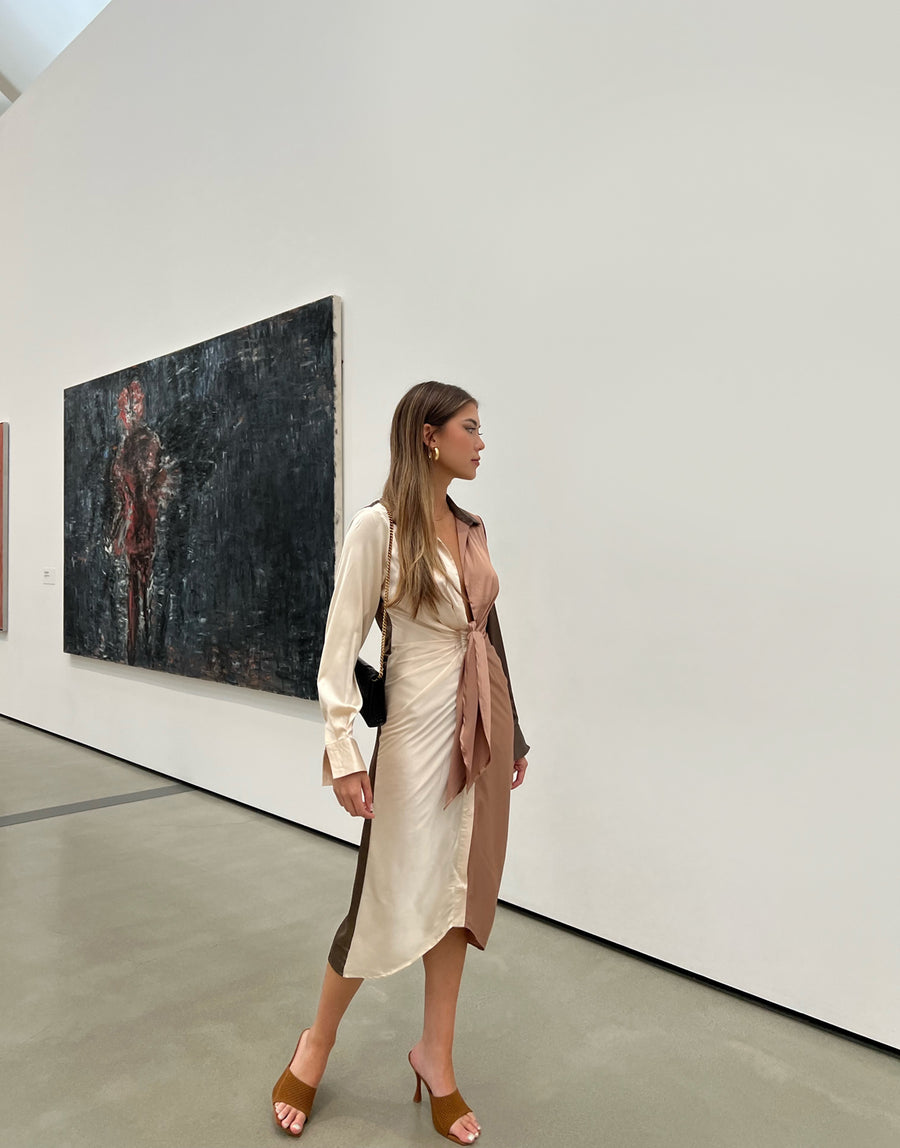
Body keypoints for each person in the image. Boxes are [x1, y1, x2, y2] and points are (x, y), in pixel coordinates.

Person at [271, 381, 530, 1144]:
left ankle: (435, 1058)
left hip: (482, 730)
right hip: (416, 737)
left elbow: (489, 633)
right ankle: (316, 1044)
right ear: (429, 435)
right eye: (470, 428)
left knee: (458, 896)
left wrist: (514, 735)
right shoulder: (378, 529)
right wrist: (344, 753)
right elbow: (337, 650)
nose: (482, 442)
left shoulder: (472, 528)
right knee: (382, 898)